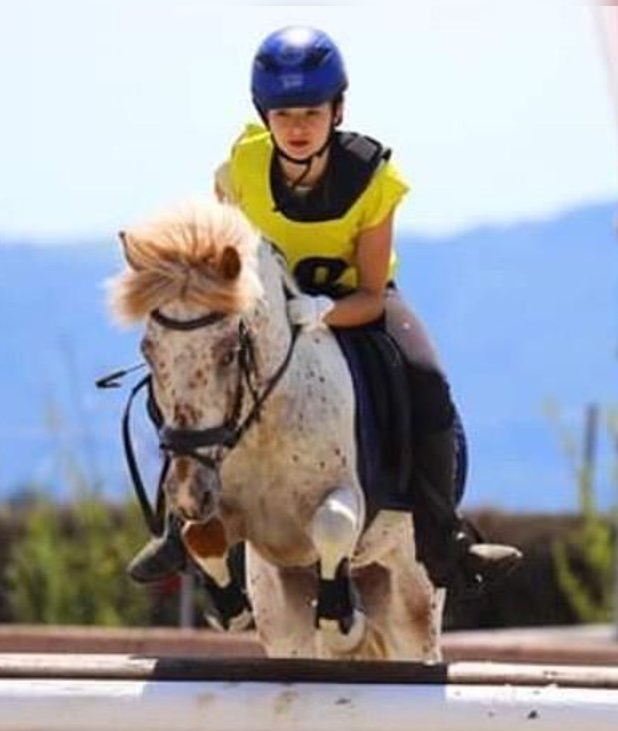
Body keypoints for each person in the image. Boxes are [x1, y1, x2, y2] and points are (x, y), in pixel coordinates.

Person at [129, 25, 521, 599]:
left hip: (352, 302)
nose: (297, 127)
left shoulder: (374, 177)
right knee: (182, 371)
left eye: (311, 112)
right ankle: (179, 523)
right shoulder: (240, 168)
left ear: (337, 110)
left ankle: (444, 543)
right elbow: (220, 259)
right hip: (262, 309)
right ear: (264, 114)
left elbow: (368, 292)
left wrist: (317, 313)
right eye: (283, 113)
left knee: (427, 378)